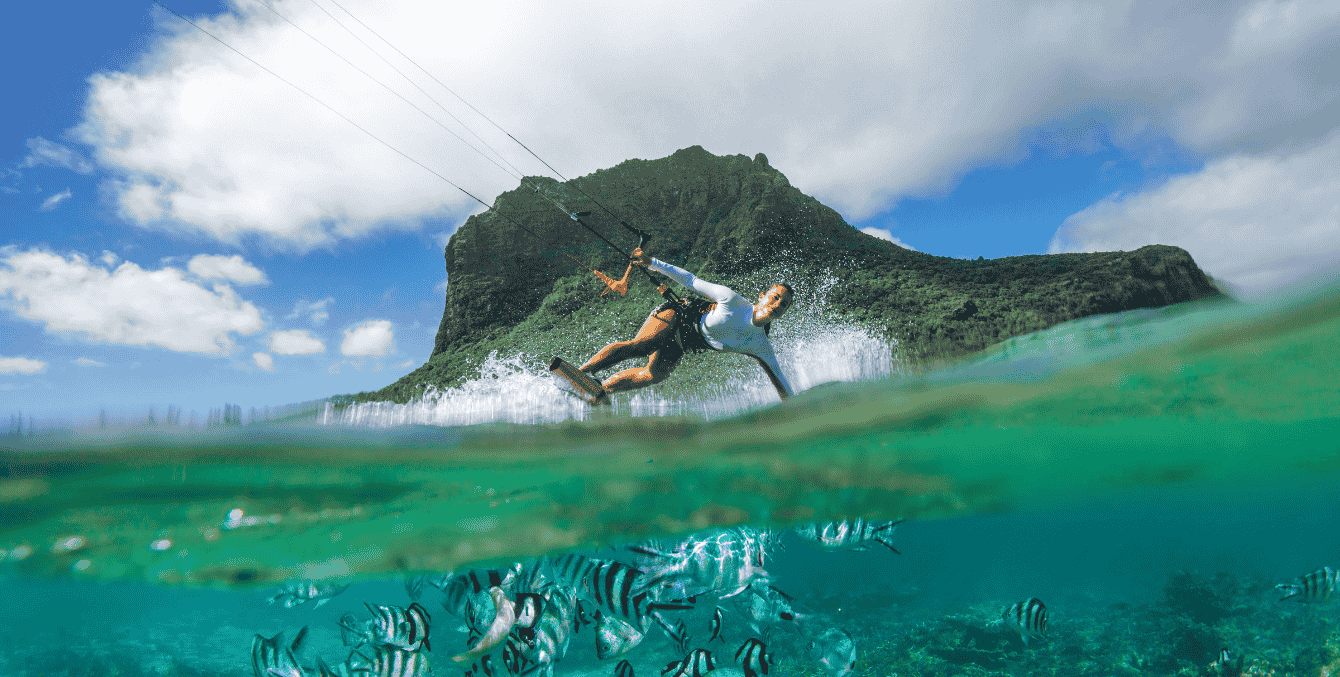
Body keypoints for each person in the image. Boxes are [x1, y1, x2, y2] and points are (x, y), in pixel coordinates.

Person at [578, 248, 795, 400]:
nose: (777, 304)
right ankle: (582, 373)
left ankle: (600, 389)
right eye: (775, 297)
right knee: (644, 345)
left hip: (684, 342)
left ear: (784, 312)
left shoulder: (760, 345)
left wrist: (795, 414)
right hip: (677, 316)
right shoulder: (732, 300)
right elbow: (691, 281)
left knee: (654, 375)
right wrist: (652, 263)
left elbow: (781, 384)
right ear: (762, 296)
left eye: (783, 304)